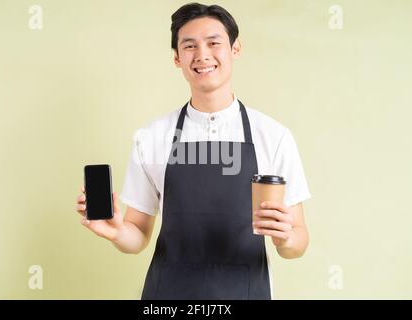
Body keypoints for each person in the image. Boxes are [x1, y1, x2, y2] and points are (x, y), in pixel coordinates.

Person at [75, 2, 311, 300]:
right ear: (177, 58)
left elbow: (299, 241)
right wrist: (115, 231)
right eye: (189, 46)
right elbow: (137, 236)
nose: (202, 55)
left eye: (214, 43)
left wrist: (286, 237)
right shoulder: (152, 137)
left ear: (235, 49)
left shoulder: (274, 136)